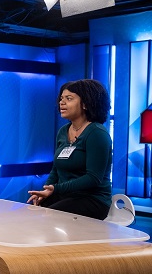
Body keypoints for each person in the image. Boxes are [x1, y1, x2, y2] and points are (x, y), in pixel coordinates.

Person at [28, 79, 113, 220]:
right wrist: (46, 190)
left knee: (48, 217)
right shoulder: (63, 131)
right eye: (61, 98)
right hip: (65, 195)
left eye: (69, 98)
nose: (61, 102)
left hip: (92, 199)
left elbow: (93, 178)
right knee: (32, 212)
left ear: (86, 104)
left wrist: (56, 189)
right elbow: (56, 170)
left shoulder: (97, 133)